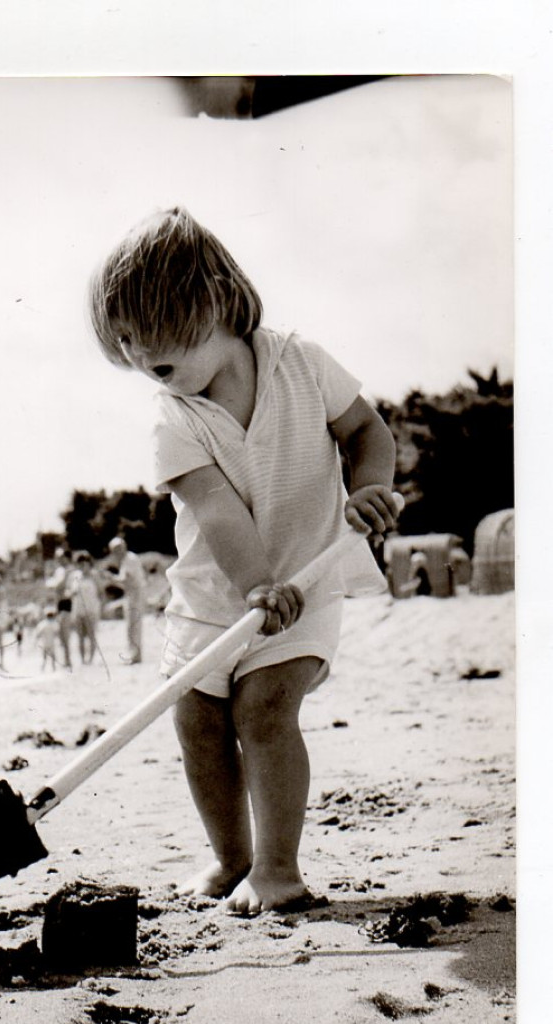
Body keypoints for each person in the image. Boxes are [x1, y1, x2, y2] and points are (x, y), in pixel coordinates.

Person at [88, 206, 399, 915]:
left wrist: (371, 487)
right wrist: (254, 584)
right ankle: (230, 855)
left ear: (209, 299)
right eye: (125, 344)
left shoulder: (303, 364)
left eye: (147, 334)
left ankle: (277, 869)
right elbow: (217, 511)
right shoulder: (175, 417)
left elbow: (366, 432)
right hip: (210, 596)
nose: (138, 358)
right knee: (198, 723)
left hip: (305, 582)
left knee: (264, 711)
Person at [106, 536, 147, 664]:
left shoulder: (129, 559)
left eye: (117, 549)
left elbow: (126, 579)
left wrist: (111, 578)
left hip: (135, 596)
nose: (116, 552)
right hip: (132, 595)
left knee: (133, 626)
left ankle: (134, 656)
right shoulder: (127, 560)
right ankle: (135, 655)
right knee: (132, 626)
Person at [69, 550, 102, 664]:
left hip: (91, 609)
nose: (82, 566)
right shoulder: (75, 576)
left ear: (89, 563)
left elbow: (101, 592)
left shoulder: (94, 575)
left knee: (91, 636)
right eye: (80, 563)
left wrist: (100, 607)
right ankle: (83, 660)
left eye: (85, 563)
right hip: (78, 610)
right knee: (80, 637)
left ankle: (91, 659)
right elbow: (69, 592)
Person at [45, 548, 74, 669]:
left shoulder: (70, 570)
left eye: (61, 557)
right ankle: (64, 659)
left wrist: (55, 584)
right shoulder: (59, 571)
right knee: (60, 633)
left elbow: (59, 585)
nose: (59, 560)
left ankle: (68, 660)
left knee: (65, 632)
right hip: (58, 602)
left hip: (67, 602)